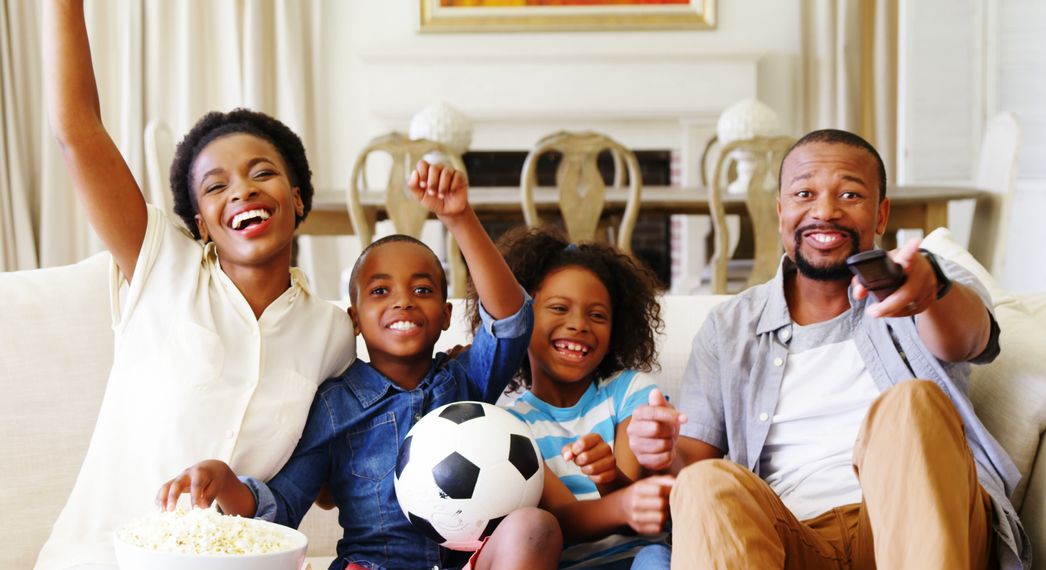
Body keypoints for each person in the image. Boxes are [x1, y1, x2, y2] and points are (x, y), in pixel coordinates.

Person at [37, 2, 355, 568]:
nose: (243, 191)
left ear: (298, 197)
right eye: (216, 186)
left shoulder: (331, 329)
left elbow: (327, 478)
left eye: (263, 173)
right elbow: (78, 133)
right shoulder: (161, 264)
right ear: (201, 223)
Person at [627, 129, 1028, 569]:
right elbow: (691, 464)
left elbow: (969, 337)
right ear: (781, 212)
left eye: (850, 194)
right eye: (804, 193)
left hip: (917, 531)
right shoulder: (730, 327)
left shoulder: (925, 280)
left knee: (911, 402)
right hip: (790, 542)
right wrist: (661, 452)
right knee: (705, 480)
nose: (825, 211)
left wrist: (930, 289)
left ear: (880, 214)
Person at [157, 161, 562, 570]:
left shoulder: (466, 380)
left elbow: (511, 324)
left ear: (445, 315)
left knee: (535, 526)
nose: (402, 301)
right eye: (380, 291)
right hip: (373, 566)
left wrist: (458, 218)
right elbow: (281, 510)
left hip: (468, 561)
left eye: (422, 289)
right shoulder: (335, 405)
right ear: (354, 319)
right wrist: (224, 479)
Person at [483, 227, 674, 569]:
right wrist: (622, 500)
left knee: (657, 558)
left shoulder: (631, 391)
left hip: (636, 559)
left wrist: (608, 476)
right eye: (559, 308)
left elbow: (632, 516)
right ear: (525, 317)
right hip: (564, 563)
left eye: (597, 315)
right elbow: (563, 520)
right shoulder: (510, 426)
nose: (578, 325)